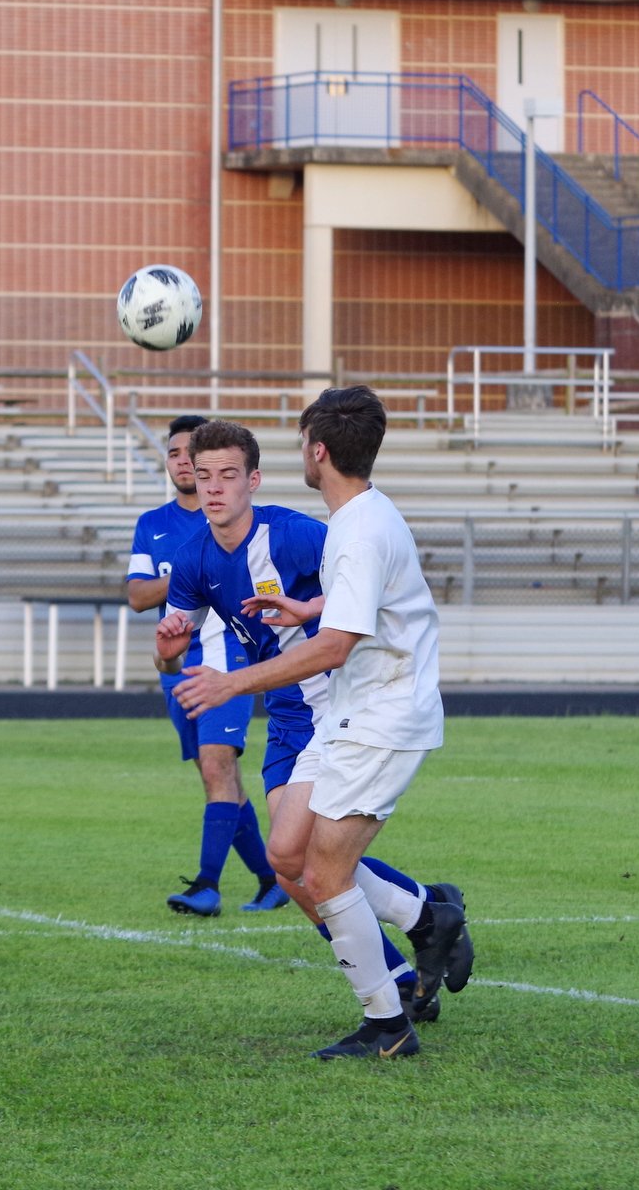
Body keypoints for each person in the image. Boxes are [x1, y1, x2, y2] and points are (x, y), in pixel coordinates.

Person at [170, 390, 467, 1059]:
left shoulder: (353, 531)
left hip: (381, 715)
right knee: (288, 856)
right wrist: (310, 609)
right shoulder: (359, 516)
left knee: (325, 873)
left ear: (318, 450)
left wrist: (231, 682)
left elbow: (334, 649)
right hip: (348, 711)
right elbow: (362, 603)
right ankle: (427, 916)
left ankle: (387, 1023)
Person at [126, 415, 288, 917]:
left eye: (188, 454)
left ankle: (207, 886)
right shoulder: (153, 524)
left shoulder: (228, 516)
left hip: (226, 652)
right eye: (174, 454)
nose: (181, 463)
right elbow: (137, 596)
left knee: (219, 767)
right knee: (219, 778)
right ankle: (272, 879)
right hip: (177, 657)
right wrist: (186, 574)